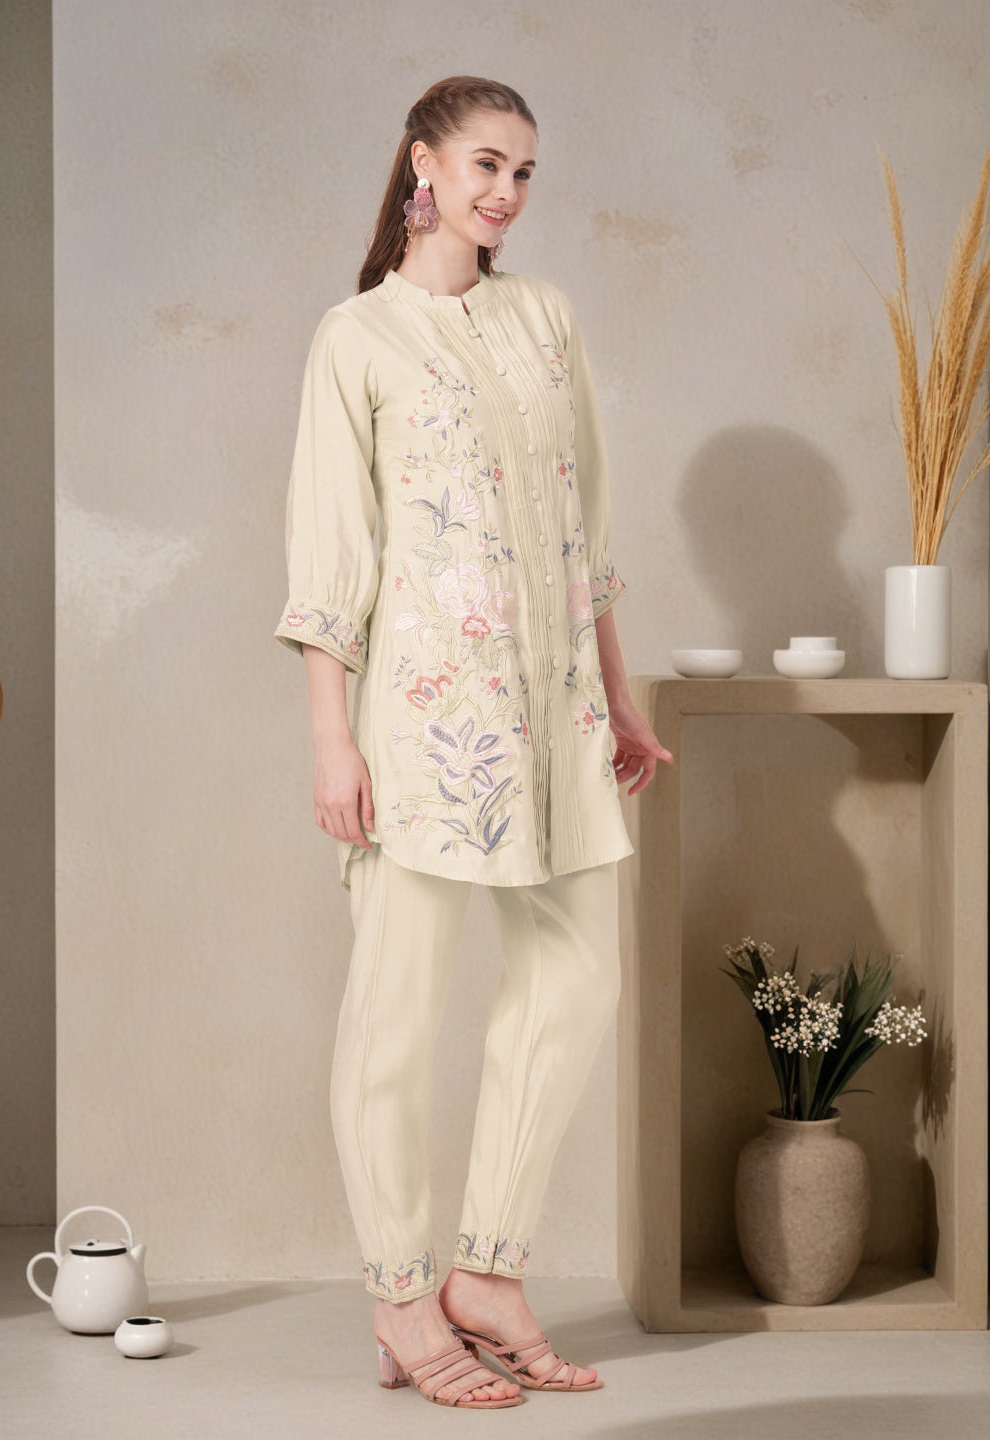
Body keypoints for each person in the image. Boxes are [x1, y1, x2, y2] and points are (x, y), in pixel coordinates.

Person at [274, 75, 672, 1410]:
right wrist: (331, 740)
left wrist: (620, 699)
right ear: (424, 167)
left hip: (556, 719)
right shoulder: (357, 339)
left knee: (576, 978)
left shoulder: (544, 320)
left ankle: (487, 1273)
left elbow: (584, 531)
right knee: (393, 1014)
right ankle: (401, 1296)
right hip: (422, 728)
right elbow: (333, 557)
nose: (507, 192)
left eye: (525, 172)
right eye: (487, 164)